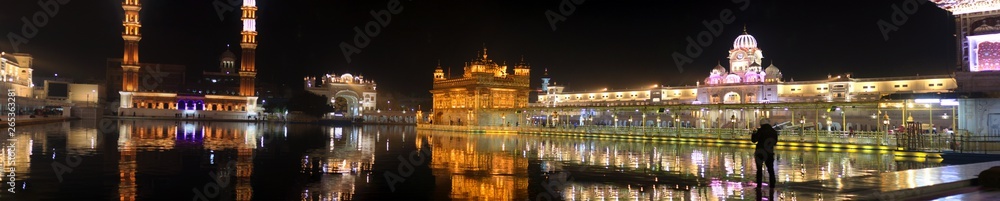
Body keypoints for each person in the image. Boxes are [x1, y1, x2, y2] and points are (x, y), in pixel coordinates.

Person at [751, 120, 778, 190]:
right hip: (769, 152)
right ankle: (772, 186)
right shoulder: (773, 131)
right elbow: (775, 142)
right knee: (771, 170)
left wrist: (754, 133)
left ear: (761, 124)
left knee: (759, 170)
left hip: (760, 152)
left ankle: (759, 186)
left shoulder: (760, 131)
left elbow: (754, 140)